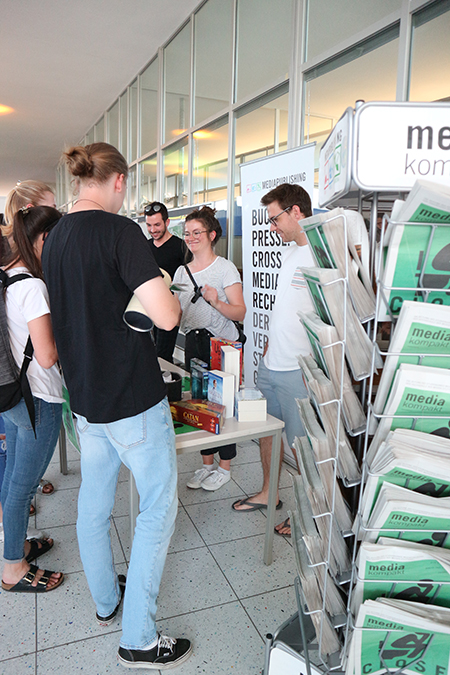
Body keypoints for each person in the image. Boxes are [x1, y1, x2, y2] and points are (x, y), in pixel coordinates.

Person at [42, 142, 192, 670]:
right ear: (120, 180)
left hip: (84, 397)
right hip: (130, 394)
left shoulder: (55, 237)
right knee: (155, 508)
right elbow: (167, 316)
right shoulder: (120, 232)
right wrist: (165, 291)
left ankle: (106, 599)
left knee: (95, 500)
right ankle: (140, 638)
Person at [232, 183, 315, 538]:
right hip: (271, 363)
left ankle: (306, 516)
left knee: (302, 448)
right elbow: (284, 308)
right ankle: (269, 492)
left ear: (296, 212)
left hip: (299, 370)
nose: (272, 227)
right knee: (265, 432)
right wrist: (265, 347)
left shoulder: (321, 255)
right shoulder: (291, 252)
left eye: (275, 218)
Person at [1, 206, 64, 593]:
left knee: (12, 476)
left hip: (10, 392)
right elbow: (47, 355)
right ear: (43, 239)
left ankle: (16, 544)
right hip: (38, 395)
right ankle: (12, 567)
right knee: (24, 484)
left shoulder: (6, 277)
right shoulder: (33, 287)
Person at [173, 206, 246, 492]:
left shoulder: (224, 267)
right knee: (200, 402)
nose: (190, 238)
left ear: (211, 234)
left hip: (222, 344)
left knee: (223, 404)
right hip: (195, 343)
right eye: (187, 233)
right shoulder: (181, 272)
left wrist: (216, 301)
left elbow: (239, 312)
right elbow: (178, 313)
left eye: (196, 233)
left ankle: (224, 466)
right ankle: (206, 464)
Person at [1, 180, 58, 501]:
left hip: (9, 379)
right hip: (31, 385)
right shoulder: (30, 280)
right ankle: (14, 550)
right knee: (21, 484)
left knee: (14, 469)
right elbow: (46, 354)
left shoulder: (6, 268)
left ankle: (11, 536)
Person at [144, 201, 191, 363]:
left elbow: (189, 282)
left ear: (167, 222)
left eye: (157, 225)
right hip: (147, 310)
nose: (153, 230)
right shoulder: (145, 247)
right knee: (149, 356)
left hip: (169, 310)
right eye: (149, 225)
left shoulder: (180, 247)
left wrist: (170, 286)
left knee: (162, 357)